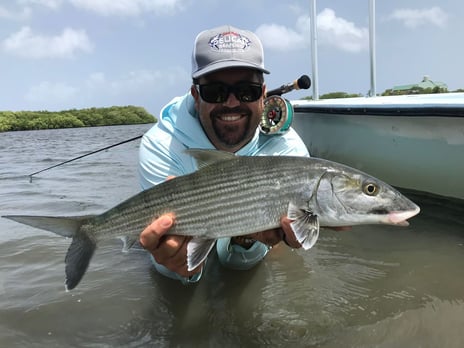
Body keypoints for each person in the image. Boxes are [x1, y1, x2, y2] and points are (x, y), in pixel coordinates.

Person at [138, 25, 310, 284]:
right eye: (215, 92)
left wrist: (248, 236)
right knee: (172, 271)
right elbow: (170, 250)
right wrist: (177, 263)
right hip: (184, 246)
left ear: (263, 96)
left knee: (247, 262)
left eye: (246, 91)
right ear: (196, 96)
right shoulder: (160, 144)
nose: (231, 103)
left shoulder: (288, 149)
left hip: (241, 243)